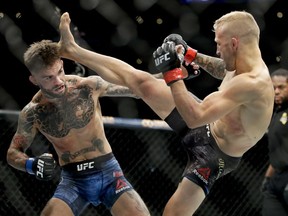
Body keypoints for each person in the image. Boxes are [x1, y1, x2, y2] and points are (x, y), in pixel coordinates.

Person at [57, 11, 274, 216]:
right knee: (143, 82)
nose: (217, 50)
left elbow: (194, 116)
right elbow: (224, 69)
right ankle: (73, 50)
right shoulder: (241, 62)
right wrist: (191, 54)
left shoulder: (253, 83)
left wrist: (172, 73)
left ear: (234, 43)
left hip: (214, 155)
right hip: (205, 124)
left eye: (219, 44)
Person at [6, 39, 151, 216]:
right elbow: (13, 152)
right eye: (48, 77)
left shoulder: (88, 86)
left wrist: (174, 74)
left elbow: (139, 87)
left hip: (109, 173)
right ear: (34, 79)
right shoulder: (32, 112)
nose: (58, 81)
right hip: (73, 181)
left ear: (61, 63)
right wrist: (31, 164)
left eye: (60, 71)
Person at [261, 68, 288, 216]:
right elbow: (279, 150)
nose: (276, 91)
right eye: (273, 88)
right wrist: (267, 177)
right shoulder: (276, 113)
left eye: (281, 87)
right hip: (276, 178)